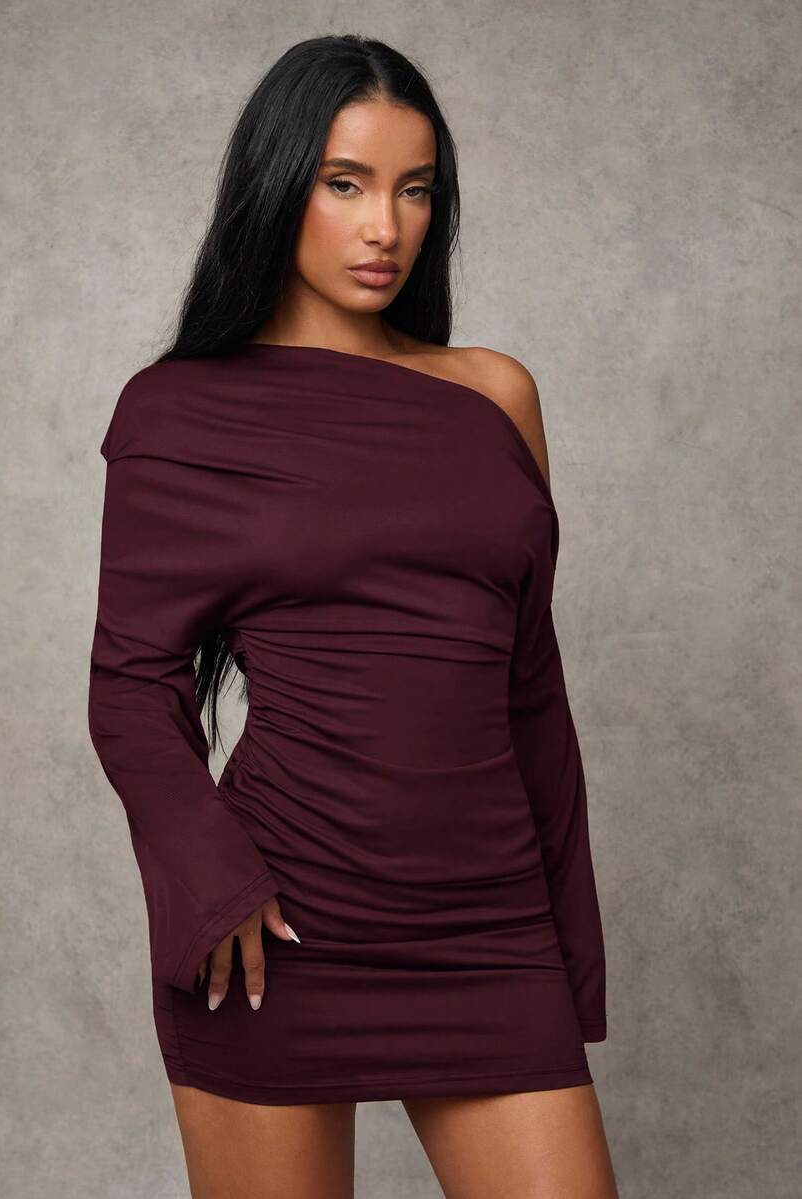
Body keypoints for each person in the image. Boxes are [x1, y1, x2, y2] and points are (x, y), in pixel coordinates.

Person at [87, 33, 619, 1199]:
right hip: (278, 926)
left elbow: (532, 692)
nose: (386, 226)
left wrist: (566, 945)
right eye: (346, 183)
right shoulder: (179, 412)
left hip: (486, 921)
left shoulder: (495, 394)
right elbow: (130, 686)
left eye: (415, 190)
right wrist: (209, 877)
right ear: (279, 183)